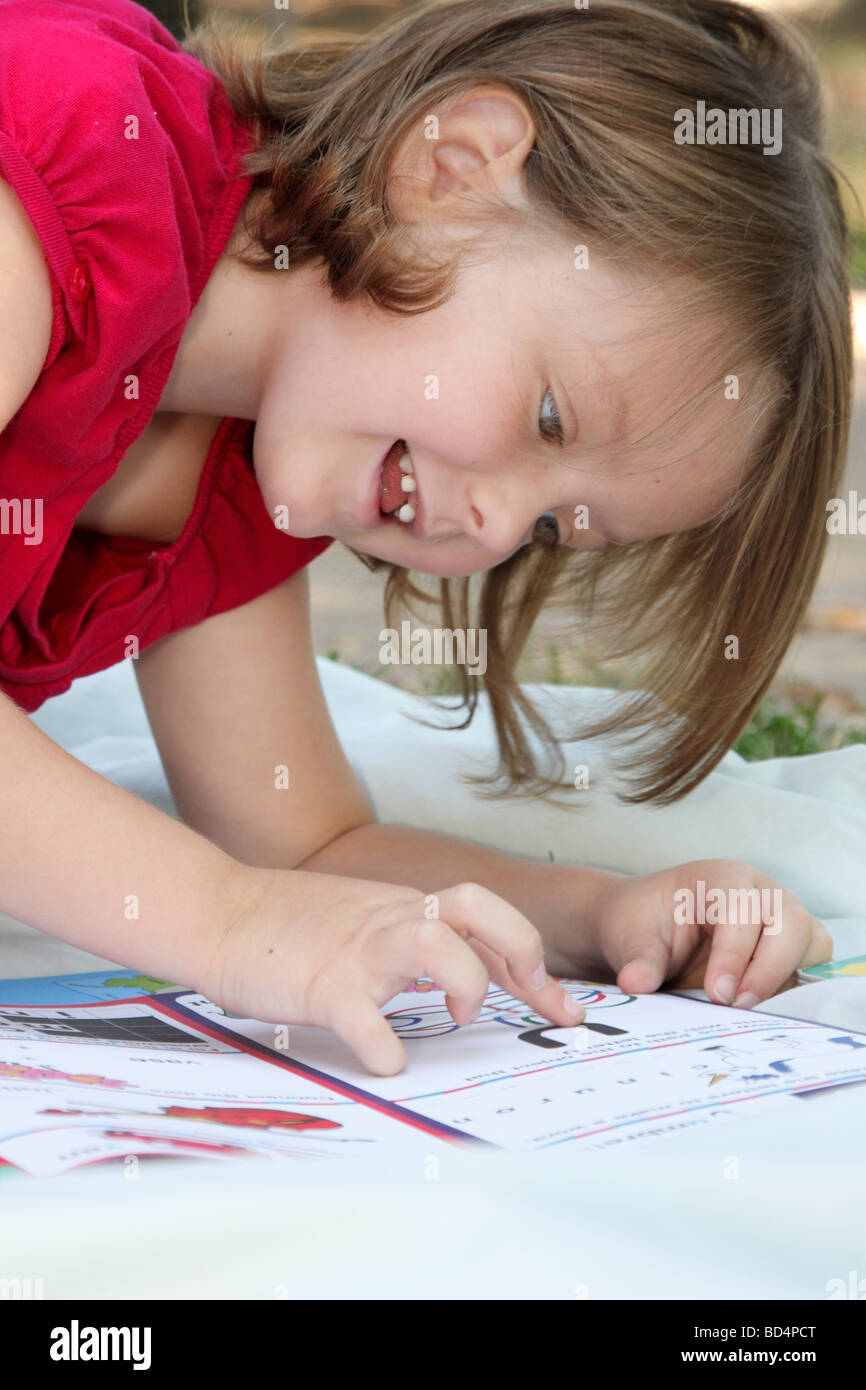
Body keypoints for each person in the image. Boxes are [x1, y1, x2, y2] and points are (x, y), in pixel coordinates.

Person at [0, 0, 846, 1074]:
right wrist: (228, 922)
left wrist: (607, 913)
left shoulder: (243, 490)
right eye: (548, 417)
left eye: (553, 526)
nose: (497, 524)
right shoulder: (66, 148)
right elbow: (257, 893)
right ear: (449, 166)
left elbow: (304, 846)